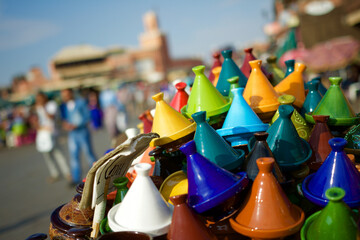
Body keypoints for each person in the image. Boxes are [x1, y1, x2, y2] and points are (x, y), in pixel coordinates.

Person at [60, 89, 97, 184]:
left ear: (71, 94)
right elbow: (64, 119)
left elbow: (88, 116)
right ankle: (76, 177)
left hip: (82, 131)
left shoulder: (81, 102)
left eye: (67, 94)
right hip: (72, 133)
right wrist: (65, 124)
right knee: (74, 155)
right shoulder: (64, 106)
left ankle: (96, 174)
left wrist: (78, 124)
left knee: (88, 153)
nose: (65, 97)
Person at [35, 92, 71, 183]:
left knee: (59, 154)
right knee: (47, 156)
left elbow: (51, 117)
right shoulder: (38, 108)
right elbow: (38, 121)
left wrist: (43, 108)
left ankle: (67, 172)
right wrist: (40, 127)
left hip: (54, 134)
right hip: (44, 135)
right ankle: (55, 173)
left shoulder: (51, 105)